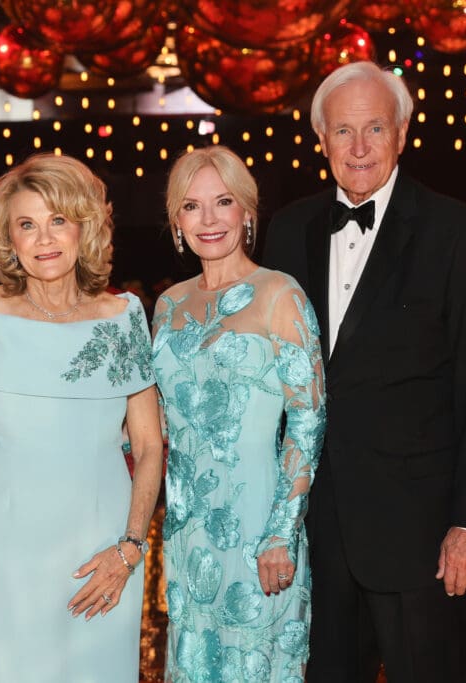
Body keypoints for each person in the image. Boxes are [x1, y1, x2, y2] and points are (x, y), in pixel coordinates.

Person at [262, 61, 466, 682]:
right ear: (321, 140)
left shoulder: (460, 233)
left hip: (422, 535)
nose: (359, 147)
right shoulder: (288, 232)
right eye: (343, 132)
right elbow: (271, 381)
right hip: (316, 530)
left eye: (375, 128)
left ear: (402, 132)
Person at [0, 152, 164, 682]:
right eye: (27, 224)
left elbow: (151, 445)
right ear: (10, 240)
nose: (44, 239)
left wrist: (131, 548)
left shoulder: (123, 317)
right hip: (2, 545)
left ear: (83, 229)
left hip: (101, 545)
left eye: (57, 220)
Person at [151, 144, 326, 681]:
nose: (208, 220)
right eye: (192, 206)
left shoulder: (280, 293)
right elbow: (160, 427)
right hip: (187, 536)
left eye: (223, 202)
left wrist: (281, 533)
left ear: (247, 213)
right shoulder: (168, 304)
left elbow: (308, 418)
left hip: (258, 529)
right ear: (176, 221)